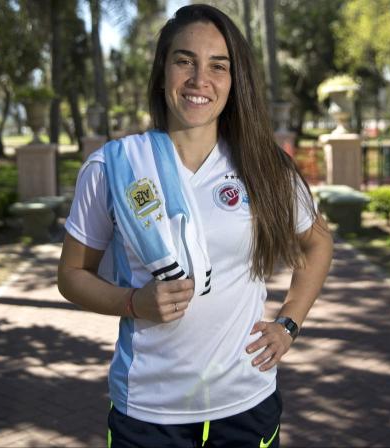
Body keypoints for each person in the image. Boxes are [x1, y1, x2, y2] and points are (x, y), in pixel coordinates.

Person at [58, 4, 333, 447]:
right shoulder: (114, 166)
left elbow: (317, 245)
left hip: (246, 403)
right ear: (162, 71)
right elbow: (71, 276)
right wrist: (133, 302)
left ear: (234, 79)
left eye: (217, 66)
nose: (199, 79)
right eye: (184, 60)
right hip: (147, 410)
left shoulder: (263, 165)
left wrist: (289, 324)